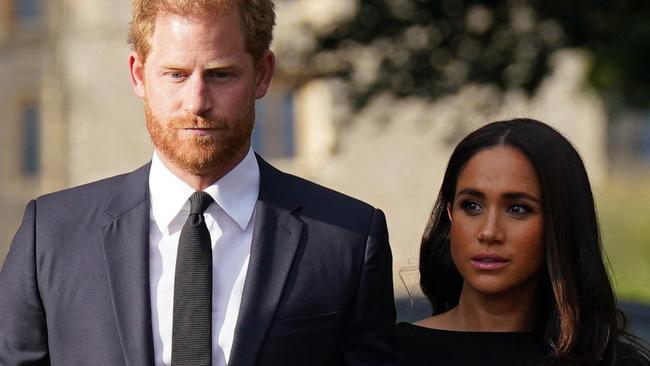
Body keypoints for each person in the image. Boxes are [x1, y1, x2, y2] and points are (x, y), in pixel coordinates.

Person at [0, 1, 397, 365]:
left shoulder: (348, 239)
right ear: (139, 75)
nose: (197, 102)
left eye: (220, 75)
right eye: (176, 75)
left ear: (263, 75)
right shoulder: (51, 235)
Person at [396, 119, 650, 365]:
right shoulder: (389, 354)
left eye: (518, 209)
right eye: (472, 206)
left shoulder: (611, 360)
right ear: (450, 214)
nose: (489, 232)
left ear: (561, 223)